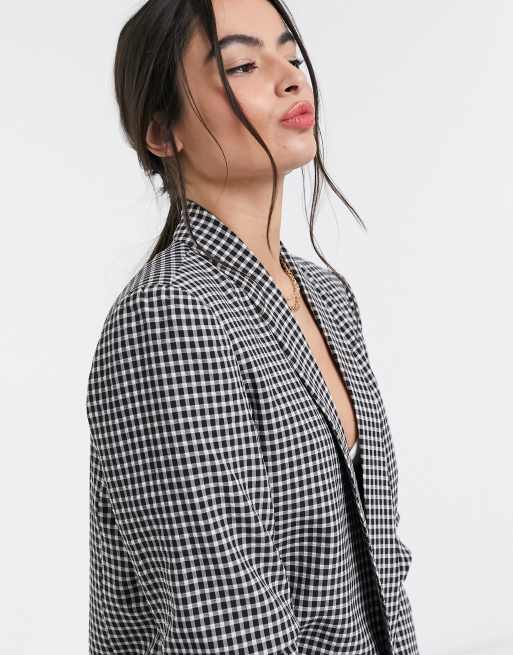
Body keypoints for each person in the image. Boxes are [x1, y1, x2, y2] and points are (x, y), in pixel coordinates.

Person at [86, 0, 420, 653]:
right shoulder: (171, 317)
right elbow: (226, 630)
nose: (291, 78)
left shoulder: (327, 296)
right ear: (163, 133)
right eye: (242, 65)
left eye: (291, 55)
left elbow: (382, 566)